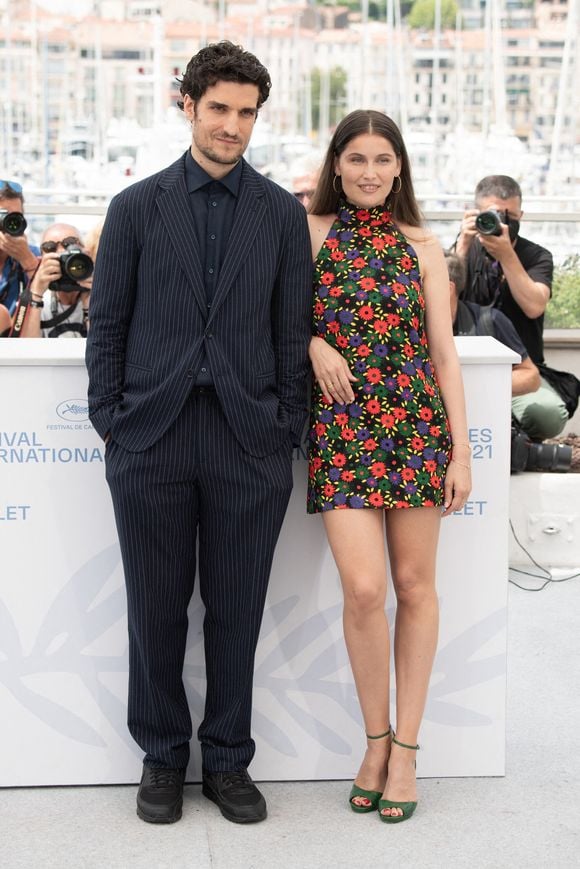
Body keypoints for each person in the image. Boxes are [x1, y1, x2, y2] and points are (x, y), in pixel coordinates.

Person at [85, 41, 312, 826]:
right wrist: (112, 422)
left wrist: (287, 425)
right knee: (153, 608)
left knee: (237, 610)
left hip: (249, 441)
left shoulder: (281, 213)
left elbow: (292, 332)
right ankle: (160, 756)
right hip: (152, 435)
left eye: (246, 112)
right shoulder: (136, 207)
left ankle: (227, 759)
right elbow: (105, 323)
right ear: (188, 105)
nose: (233, 126)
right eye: (219, 108)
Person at [306, 110, 471, 823]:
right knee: (366, 589)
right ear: (336, 164)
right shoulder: (307, 234)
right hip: (341, 430)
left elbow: (443, 354)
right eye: (357, 158)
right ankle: (374, 739)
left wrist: (461, 449)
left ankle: (406, 748)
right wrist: (311, 343)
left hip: (414, 428)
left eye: (383, 159)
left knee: (415, 584)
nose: (370, 171)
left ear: (399, 167)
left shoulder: (425, 246)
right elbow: (270, 317)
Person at [455, 175, 570, 440]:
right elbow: (441, 297)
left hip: (521, 371)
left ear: (521, 215)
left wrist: (507, 255)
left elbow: (534, 306)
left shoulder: (538, 256)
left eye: (510, 216)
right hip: (465, 368)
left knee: (547, 415)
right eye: (492, 216)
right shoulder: (464, 249)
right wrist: (462, 244)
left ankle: (513, 432)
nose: (501, 224)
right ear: (473, 214)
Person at [446, 251, 541, 401]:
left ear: (448, 288)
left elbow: (530, 376)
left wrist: (479, 385)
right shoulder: (408, 324)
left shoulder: (490, 320)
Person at [19, 223, 91, 338]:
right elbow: (27, 351)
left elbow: (105, 346)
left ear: (86, 253)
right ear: (40, 260)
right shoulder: (38, 301)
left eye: (70, 243)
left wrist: (90, 302)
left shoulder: (100, 295)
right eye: (49, 247)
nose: (61, 252)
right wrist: (36, 293)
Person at [0, 180, 40, 315]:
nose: (8, 223)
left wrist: (27, 260)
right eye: (2, 216)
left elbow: (50, 300)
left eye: (15, 217)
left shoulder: (32, 254)